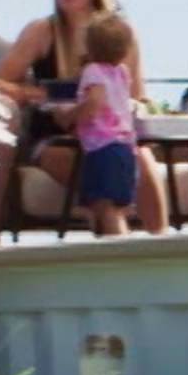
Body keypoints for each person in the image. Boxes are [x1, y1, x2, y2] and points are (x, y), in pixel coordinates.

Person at [0, 0, 128, 234]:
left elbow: (135, 95)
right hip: (52, 137)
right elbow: (0, 84)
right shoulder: (42, 30)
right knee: (85, 164)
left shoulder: (117, 36)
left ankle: (159, 245)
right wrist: (35, 94)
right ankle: (113, 238)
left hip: (106, 133)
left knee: (136, 160)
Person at [65, 14, 146, 235]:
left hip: (103, 149)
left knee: (107, 207)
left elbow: (94, 103)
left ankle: (119, 252)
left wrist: (69, 116)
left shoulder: (92, 72)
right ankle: (103, 247)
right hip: (126, 148)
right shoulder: (122, 73)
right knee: (102, 206)